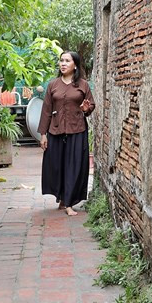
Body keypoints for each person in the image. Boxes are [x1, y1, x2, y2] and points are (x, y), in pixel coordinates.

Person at [37, 51, 95, 216]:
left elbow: (90, 106)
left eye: (67, 61)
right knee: (56, 166)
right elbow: (46, 110)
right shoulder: (53, 85)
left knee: (74, 166)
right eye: (61, 61)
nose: (63, 64)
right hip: (55, 131)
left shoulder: (83, 85)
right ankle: (62, 198)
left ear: (75, 65)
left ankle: (69, 203)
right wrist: (43, 134)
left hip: (77, 131)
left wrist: (86, 109)